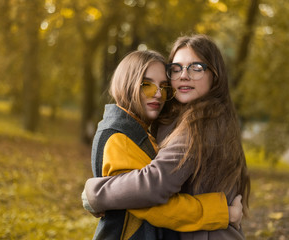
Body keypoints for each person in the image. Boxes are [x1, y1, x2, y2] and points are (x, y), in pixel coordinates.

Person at [82, 49, 244, 240]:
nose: (158, 94)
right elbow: (156, 206)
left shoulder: (140, 130)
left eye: (164, 87)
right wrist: (223, 213)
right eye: (147, 85)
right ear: (127, 83)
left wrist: (95, 194)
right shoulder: (120, 136)